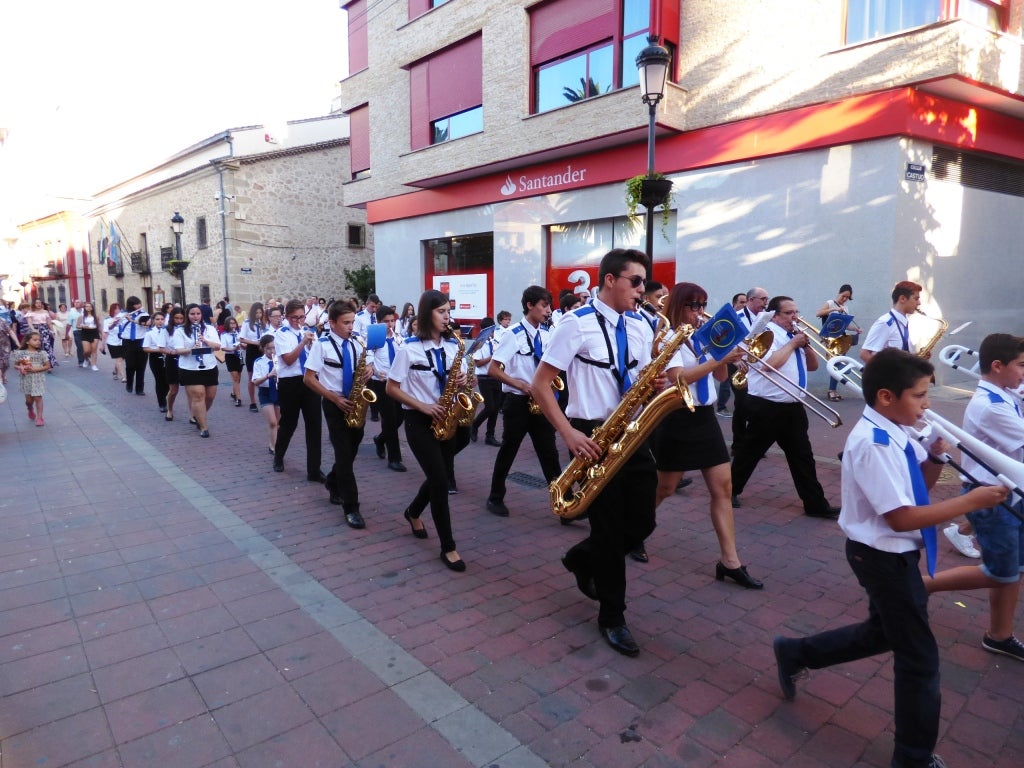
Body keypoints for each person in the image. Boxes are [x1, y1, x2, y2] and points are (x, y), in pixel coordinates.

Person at [773, 348, 1009, 768]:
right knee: (919, 659)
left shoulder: (896, 431)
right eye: (919, 396)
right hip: (881, 557)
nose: (927, 405)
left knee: (883, 634)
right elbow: (901, 518)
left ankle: (795, 652)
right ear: (886, 396)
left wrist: (936, 456)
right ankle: (913, 757)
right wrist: (969, 501)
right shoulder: (875, 443)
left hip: (891, 556)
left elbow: (920, 485)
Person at [532, 248, 656, 657]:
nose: (643, 289)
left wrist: (652, 388)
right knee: (607, 527)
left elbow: (636, 376)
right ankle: (612, 616)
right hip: (590, 435)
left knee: (642, 521)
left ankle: (582, 558)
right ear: (609, 280)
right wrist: (567, 433)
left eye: (643, 282)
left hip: (630, 430)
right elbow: (541, 384)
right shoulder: (575, 323)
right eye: (635, 281)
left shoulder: (641, 326)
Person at [632, 283, 760, 587]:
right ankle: (633, 532)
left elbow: (719, 376)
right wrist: (721, 359)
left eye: (702, 305)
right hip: (677, 415)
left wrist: (724, 350)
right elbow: (679, 379)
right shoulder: (667, 339)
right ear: (678, 306)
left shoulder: (703, 334)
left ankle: (730, 561)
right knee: (665, 488)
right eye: (693, 306)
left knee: (723, 488)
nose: (700, 312)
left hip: (704, 416)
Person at [925, 333, 1024, 661]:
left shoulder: (1005, 393)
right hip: (991, 498)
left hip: (1007, 493)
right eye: (1022, 366)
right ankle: (920, 586)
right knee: (999, 572)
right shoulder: (991, 406)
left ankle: (999, 635)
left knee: (1014, 569)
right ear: (997, 366)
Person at [731, 295, 840, 518]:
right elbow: (769, 365)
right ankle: (728, 491)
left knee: (803, 457)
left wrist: (806, 346)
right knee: (749, 453)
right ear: (775, 315)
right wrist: (793, 344)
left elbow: (812, 366)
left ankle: (815, 504)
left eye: (796, 312)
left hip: (792, 406)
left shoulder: (793, 335)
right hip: (767, 407)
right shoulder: (765, 334)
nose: (795, 317)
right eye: (789, 313)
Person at [386, 289, 470, 573]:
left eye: (448, 311)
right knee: (440, 481)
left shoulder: (453, 347)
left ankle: (412, 512)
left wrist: (463, 379)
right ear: (426, 314)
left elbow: (467, 383)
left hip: (446, 418)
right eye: (441, 312)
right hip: (419, 421)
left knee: (439, 476)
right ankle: (448, 546)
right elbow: (391, 388)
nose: (448, 317)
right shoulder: (409, 348)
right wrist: (423, 406)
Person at [485, 286, 562, 518]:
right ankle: (495, 497)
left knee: (549, 452)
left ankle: (563, 501)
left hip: (541, 401)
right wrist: (520, 384)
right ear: (530, 305)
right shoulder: (513, 333)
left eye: (549, 306)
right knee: (509, 449)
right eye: (544, 305)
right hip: (518, 402)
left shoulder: (546, 334)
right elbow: (493, 369)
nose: (548, 311)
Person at [304, 300, 372, 528]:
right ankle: (351, 507)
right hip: (334, 404)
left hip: (355, 403)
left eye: (352, 322)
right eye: (346, 323)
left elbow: (368, 367)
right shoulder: (321, 345)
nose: (351, 327)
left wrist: (369, 370)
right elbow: (309, 378)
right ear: (331, 323)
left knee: (350, 453)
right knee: (344, 455)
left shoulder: (357, 343)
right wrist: (334, 399)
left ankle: (333, 482)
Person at [273, 299, 324, 481]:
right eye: (294, 318)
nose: (299, 321)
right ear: (287, 317)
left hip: (309, 380)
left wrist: (311, 345)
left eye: (302, 317)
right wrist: (303, 343)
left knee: (314, 425)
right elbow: (288, 359)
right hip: (290, 382)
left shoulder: (308, 332)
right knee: (289, 423)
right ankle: (278, 456)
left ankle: (314, 470)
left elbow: (317, 358)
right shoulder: (281, 334)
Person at [170, 303, 221, 437]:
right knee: (198, 396)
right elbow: (178, 350)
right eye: (192, 314)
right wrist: (193, 349)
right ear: (188, 315)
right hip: (190, 368)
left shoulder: (209, 329)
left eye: (198, 314)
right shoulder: (180, 331)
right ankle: (204, 427)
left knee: (209, 397)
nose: (195, 316)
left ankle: (199, 416)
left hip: (209, 366)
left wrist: (205, 341)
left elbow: (217, 346)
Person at [730, 287, 770, 455]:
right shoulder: (736, 317)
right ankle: (738, 445)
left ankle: (754, 444)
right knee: (741, 406)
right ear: (751, 300)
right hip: (740, 365)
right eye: (763, 299)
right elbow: (727, 341)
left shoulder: (765, 318)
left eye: (767, 299)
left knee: (758, 406)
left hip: (757, 366)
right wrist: (736, 360)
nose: (765, 303)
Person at [369, 305, 406, 472]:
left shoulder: (398, 337)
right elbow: (369, 358)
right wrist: (376, 371)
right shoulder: (375, 337)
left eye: (392, 321)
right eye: (386, 321)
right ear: (379, 322)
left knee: (400, 417)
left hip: (397, 382)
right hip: (381, 382)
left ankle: (381, 439)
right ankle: (394, 458)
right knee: (390, 419)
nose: (390, 324)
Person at [816, 283, 863, 401]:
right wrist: (835, 309)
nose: (845, 299)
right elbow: (819, 313)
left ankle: (832, 391)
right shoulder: (830, 303)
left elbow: (845, 326)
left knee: (836, 366)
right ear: (839, 293)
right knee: (836, 365)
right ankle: (844, 374)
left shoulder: (845, 308)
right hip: (830, 338)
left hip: (841, 339)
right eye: (843, 296)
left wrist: (856, 329)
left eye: (847, 297)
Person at [860, 280, 922, 363]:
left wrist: (919, 356)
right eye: (916, 298)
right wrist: (889, 374)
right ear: (902, 299)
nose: (919, 303)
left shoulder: (903, 322)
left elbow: (900, 356)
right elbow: (864, 354)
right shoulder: (885, 322)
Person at [470, 317, 502, 446]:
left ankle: (490, 435)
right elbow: (478, 363)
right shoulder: (479, 343)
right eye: (491, 329)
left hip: (496, 377)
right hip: (484, 378)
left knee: (495, 408)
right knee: (489, 407)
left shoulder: (495, 342)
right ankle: (474, 425)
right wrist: (492, 357)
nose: (493, 332)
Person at [716, 292, 748, 417]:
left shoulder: (745, 318)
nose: (744, 305)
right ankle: (721, 407)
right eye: (741, 302)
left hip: (741, 356)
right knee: (725, 383)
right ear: (734, 304)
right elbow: (722, 339)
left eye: (745, 302)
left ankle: (740, 409)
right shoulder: (728, 318)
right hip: (729, 355)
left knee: (740, 386)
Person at [12, 331, 51, 426]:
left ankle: (40, 417)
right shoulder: (21, 353)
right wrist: (20, 367)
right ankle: (30, 408)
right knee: (29, 400)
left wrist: (36, 369)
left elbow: (47, 366)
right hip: (26, 378)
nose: (38, 342)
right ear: (27, 342)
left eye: (39, 340)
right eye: (35, 340)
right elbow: (15, 365)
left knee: (38, 397)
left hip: (38, 377)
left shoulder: (42, 353)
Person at [251, 334, 280, 455]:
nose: (271, 351)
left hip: (279, 392)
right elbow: (255, 381)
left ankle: (273, 443)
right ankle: (274, 447)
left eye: (274, 348)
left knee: (277, 423)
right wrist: (269, 375)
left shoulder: (280, 360)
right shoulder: (259, 362)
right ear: (263, 348)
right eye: (268, 348)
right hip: (265, 393)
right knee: (272, 421)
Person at [118, 296, 149, 396]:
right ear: (131, 305)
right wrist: (116, 321)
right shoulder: (122, 314)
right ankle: (129, 384)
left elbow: (147, 324)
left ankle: (139, 388)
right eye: (136, 304)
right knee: (130, 365)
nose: (139, 305)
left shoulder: (144, 314)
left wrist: (132, 320)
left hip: (141, 341)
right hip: (127, 342)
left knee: (141, 366)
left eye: (139, 303)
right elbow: (117, 327)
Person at [142, 312, 170, 414]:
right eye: (157, 319)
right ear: (153, 321)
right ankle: (162, 403)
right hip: (156, 358)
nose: (160, 321)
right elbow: (145, 348)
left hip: (168, 357)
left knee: (168, 381)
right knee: (160, 380)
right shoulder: (149, 333)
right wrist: (159, 350)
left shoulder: (168, 331)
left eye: (162, 319)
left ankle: (167, 400)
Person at [240, 302, 266, 411]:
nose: (258, 315)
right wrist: (256, 343)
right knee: (251, 377)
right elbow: (242, 338)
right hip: (252, 350)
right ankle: (252, 402)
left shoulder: (264, 324)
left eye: (260, 312)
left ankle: (264, 399)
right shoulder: (247, 323)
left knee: (264, 375)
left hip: (263, 350)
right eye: (256, 313)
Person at [163, 307, 186, 422]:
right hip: (172, 359)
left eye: (181, 318)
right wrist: (171, 351)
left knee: (190, 389)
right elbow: (162, 347)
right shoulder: (166, 330)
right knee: (173, 390)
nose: (179, 321)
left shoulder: (187, 329)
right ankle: (170, 409)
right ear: (172, 318)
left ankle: (193, 414)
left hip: (185, 358)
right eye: (176, 318)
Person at [24, 298, 58, 370]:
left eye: (40, 303)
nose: (38, 304)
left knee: (47, 347)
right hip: (35, 329)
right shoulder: (30, 312)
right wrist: (34, 330)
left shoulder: (45, 312)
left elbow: (49, 323)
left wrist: (52, 331)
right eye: (37, 303)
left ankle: (49, 365)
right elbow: (29, 323)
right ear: (34, 304)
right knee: (35, 347)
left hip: (45, 329)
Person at [219, 316, 245, 406]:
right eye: (231, 323)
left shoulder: (239, 333)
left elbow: (244, 344)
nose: (233, 325)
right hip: (230, 356)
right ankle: (239, 399)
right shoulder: (224, 335)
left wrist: (242, 345)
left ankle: (234, 393)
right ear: (227, 324)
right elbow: (223, 347)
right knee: (235, 378)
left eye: (234, 323)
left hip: (240, 355)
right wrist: (232, 349)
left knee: (239, 377)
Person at [102, 303, 125, 381]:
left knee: (121, 359)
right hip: (112, 342)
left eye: (119, 308)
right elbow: (106, 331)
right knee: (119, 359)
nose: (117, 310)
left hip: (123, 341)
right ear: (112, 310)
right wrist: (103, 344)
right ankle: (123, 377)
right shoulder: (108, 319)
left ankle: (115, 371)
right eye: (115, 309)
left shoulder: (123, 317)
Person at [77, 302, 101, 371]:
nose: (88, 308)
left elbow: (99, 326)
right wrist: (83, 326)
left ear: (92, 307)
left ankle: (94, 365)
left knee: (94, 350)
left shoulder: (96, 316)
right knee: (86, 351)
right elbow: (77, 326)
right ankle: (86, 359)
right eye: (86, 306)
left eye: (90, 306)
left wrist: (101, 334)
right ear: (84, 308)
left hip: (94, 333)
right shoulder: (81, 317)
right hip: (85, 333)